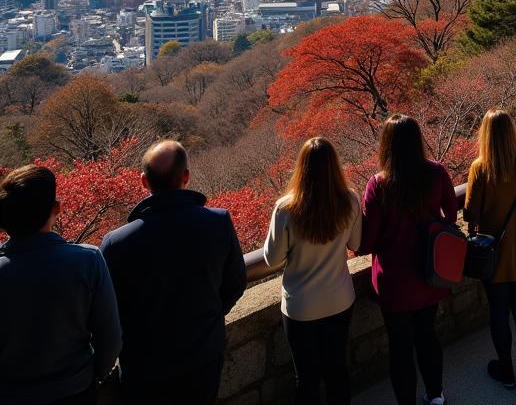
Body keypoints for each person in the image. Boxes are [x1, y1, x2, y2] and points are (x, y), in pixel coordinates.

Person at [100, 140, 247, 405]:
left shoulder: (116, 242)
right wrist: (207, 318)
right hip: (203, 356)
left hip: (144, 367)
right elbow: (235, 284)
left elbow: (110, 310)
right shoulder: (217, 222)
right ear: (186, 176)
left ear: (143, 181)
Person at [0, 164, 120, 405]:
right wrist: (95, 373)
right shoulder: (87, 260)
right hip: (74, 390)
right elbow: (111, 338)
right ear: (56, 209)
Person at [360, 114, 458, 405]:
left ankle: (406, 400)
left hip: (394, 281)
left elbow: (366, 242)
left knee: (400, 346)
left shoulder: (378, 184)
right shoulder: (437, 172)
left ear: (386, 145)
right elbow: (451, 219)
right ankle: (436, 394)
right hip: (430, 273)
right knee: (427, 336)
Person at [263, 137, 363, 405]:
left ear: (301, 167)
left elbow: (272, 259)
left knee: (306, 377)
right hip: (340, 299)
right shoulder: (350, 200)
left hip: (301, 306)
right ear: (334, 166)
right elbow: (355, 244)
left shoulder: (286, 208)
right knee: (337, 369)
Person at [464, 109, 516, 400]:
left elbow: (470, 212)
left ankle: (507, 371)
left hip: (493, 255)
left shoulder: (480, 167)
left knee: (499, 315)